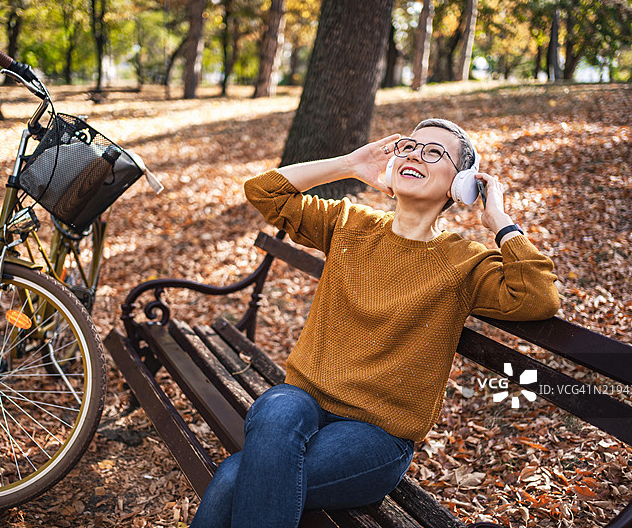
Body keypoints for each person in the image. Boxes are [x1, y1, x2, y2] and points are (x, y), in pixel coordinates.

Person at [189, 118, 559, 527]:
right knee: (276, 411)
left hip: (375, 437)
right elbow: (264, 191)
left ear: (462, 185)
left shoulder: (463, 262)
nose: (416, 154)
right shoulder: (350, 224)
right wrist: (349, 164)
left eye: (435, 152)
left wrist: (501, 221)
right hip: (303, 401)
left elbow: (538, 296)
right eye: (409, 146)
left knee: (232, 477)